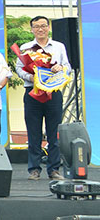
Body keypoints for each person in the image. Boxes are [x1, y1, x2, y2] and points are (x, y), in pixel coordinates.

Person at [17, 16, 71, 180]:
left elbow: (68, 67)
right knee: (33, 132)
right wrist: (31, 77)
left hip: (53, 92)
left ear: (48, 27)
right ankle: (34, 169)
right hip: (32, 92)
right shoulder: (26, 47)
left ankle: (54, 169)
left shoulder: (59, 46)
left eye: (43, 26)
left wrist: (60, 68)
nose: (40, 29)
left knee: (54, 132)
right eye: (36, 26)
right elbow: (19, 68)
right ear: (32, 29)